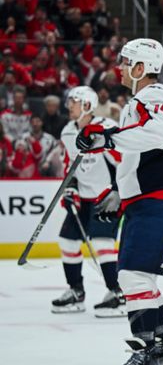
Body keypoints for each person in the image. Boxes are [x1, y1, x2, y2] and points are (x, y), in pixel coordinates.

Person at [75, 38, 163, 365]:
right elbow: (140, 148)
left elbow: (157, 135)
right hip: (152, 194)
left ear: (142, 67)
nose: (119, 66)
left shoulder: (154, 94)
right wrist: (119, 188)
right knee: (140, 278)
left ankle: (146, 357)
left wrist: (106, 137)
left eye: (126, 61)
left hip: (161, 193)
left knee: (131, 276)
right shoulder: (145, 99)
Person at [51, 86, 125, 317]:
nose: (68, 105)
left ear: (86, 104)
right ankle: (76, 292)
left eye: (73, 101)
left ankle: (117, 294)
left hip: (107, 196)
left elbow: (123, 160)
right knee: (67, 241)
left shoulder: (106, 128)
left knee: (102, 243)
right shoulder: (67, 132)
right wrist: (70, 188)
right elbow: (68, 165)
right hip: (83, 198)